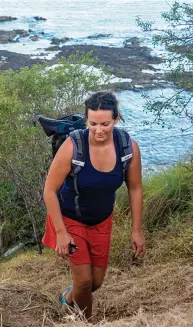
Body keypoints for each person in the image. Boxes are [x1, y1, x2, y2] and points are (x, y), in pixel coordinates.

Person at [42, 91, 146, 320]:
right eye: (93, 123)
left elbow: (135, 188)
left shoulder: (128, 148)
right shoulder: (73, 146)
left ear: (117, 119)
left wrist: (137, 230)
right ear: (86, 119)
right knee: (85, 280)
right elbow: (49, 190)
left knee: (95, 282)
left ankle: (68, 298)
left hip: (101, 221)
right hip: (69, 220)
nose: (99, 130)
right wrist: (61, 232)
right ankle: (86, 322)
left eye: (105, 124)